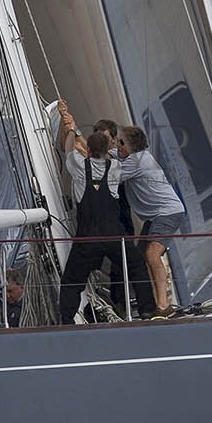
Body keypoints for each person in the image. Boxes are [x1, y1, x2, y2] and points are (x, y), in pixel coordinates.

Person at [57, 120, 155, 323]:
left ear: (89, 150)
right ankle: (147, 310)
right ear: (107, 148)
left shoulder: (78, 166)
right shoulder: (115, 167)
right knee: (136, 266)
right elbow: (106, 156)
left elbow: (68, 149)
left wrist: (71, 129)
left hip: (87, 237)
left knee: (72, 281)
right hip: (114, 235)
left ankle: (66, 321)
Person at [116, 125, 186, 315]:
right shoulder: (134, 157)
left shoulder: (137, 161)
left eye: (121, 142)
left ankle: (163, 305)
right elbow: (110, 156)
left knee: (152, 254)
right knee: (139, 259)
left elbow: (111, 176)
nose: (117, 145)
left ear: (132, 146)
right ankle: (152, 305)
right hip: (156, 215)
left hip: (167, 212)